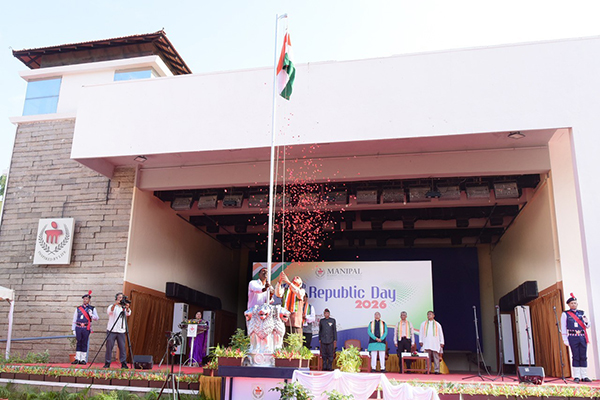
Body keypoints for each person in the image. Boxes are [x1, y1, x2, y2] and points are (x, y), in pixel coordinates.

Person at [561, 293, 592, 383]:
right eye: (572, 303)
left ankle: (584, 376)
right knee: (575, 356)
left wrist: (586, 321)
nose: (573, 304)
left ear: (577, 304)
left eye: (575, 303)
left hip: (582, 337)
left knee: (583, 356)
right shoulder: (565, 314)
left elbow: (588, 325)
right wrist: (565, 339)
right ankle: (577, 376)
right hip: (572, 337)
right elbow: (563, 327)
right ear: (568, 304)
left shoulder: (582, 313)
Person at [104, 292, 132, 369]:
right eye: (119, 297)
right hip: (111, 330)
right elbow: (110, 311)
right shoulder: (112, 306)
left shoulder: (123, 308)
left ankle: (123, 363)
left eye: (122, 297)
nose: (121, 299)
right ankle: (107, 363)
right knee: (109, 347)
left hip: (121, 331)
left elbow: (128, 313)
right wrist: (115, 304)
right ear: (116, 298)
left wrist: (127, 308)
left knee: (122, 348)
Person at [71, 290, 99, 365]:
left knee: (84, 342)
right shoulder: (78, 308)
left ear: (89, 300)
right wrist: (73, 329)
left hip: (86, 328)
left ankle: (83, 359)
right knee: (79, 342)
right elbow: (74, 319)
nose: (85, 300)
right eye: (84, 299)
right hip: (78, 327)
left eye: (86, 299)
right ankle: (77, 358)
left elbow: (97, 318)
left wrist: (91, 315)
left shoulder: (92, 308)